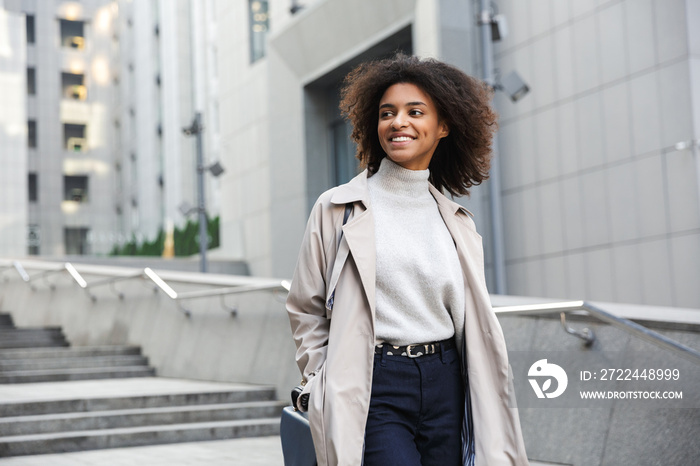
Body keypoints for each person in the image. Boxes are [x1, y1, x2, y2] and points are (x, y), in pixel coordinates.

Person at [286, 53, 529, 466]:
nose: (398, 122)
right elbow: (305, 306)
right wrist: (318, 379)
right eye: (387, 113)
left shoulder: (458, 223)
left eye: (415, 112)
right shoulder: (337, 208)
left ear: (444, 126)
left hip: (447, 380)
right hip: (373, 381)